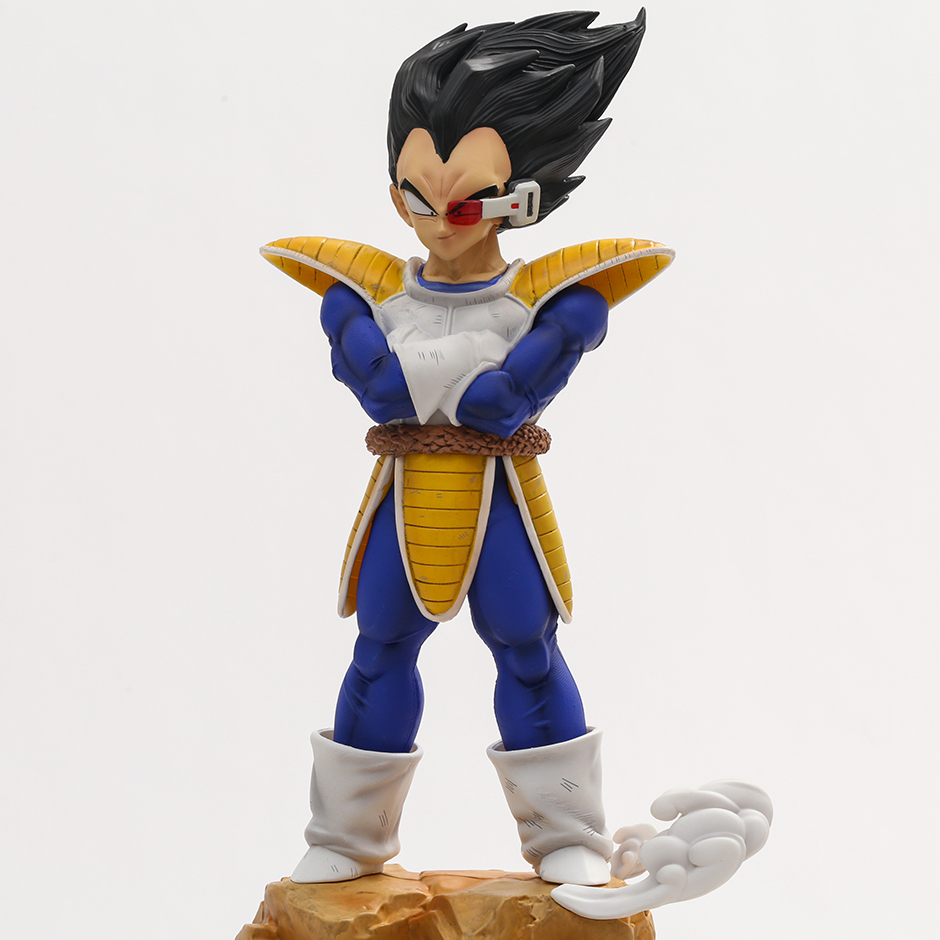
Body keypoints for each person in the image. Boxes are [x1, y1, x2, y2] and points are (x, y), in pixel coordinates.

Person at [261, 8, 673, 888]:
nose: (440, 220)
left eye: (465, 200)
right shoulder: (360, 291)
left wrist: (454, 375)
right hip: (406, 491)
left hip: (500, 498)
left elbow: (501, 401)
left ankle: (566, 833)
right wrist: (445, 369)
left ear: (524, 199)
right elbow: (380, 388)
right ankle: (347, 837)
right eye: (416, 197)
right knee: (381, 645)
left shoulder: (560, 296)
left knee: (526, 646)